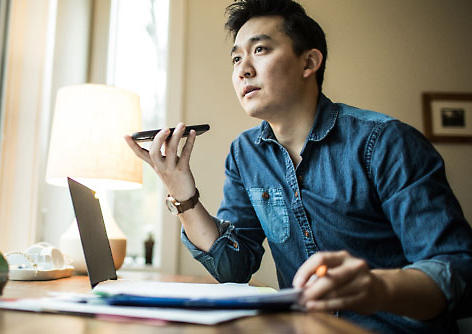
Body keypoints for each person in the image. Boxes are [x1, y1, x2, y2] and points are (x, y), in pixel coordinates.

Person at [124, 0, 472, 332]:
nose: (243, 69)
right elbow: (234, 266)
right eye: (236, 58)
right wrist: (179, 188)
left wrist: (377, 287)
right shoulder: (246, 154)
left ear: (309, 63)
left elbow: (458, 270)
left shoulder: (386, 142)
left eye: (260, 50)